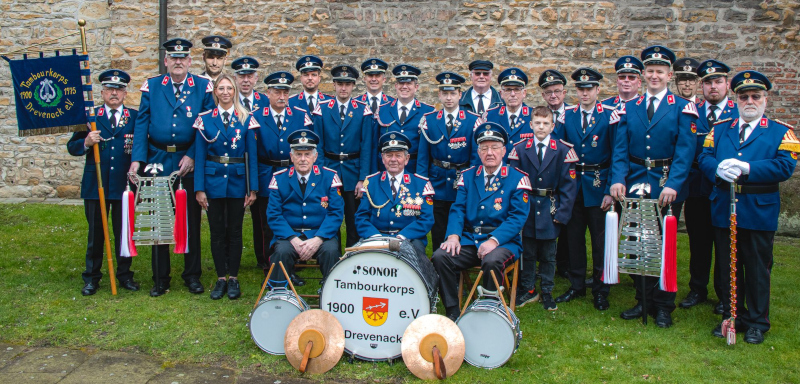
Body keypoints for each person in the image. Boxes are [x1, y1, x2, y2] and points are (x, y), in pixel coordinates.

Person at [698, 70, 798, 344]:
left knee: (756, 268)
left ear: (765, 99)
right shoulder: (720, 129)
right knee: (727, 267)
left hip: (758, 210)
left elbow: (785, 166)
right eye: (744, 97)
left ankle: (756, 321)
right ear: (737, 99)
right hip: (724, 208)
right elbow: (704, 156)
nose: (750, 101)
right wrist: (717, 168)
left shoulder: (781, 131)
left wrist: (748, 167)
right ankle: (733, 316)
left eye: (756, 96)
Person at [609, 45, 699, 328]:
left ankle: (663, 306)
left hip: (665, 183)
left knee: (662, 244)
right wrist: (616, 179)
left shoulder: (682, 107)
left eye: (660, 71)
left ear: (669, 74)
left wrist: (674, 183)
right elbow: (620, 148)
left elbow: (686, 151)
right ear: (644, 74)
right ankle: (642, 298)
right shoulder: (630, 107)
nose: (655, 76)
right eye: (650, 71)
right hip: (635, 181)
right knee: (636, 241)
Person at [131, 38, 215, 297]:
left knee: (189, 220)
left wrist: (191, 155)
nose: (178, 62)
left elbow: (207, 124)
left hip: (187, 163)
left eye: (183, 58)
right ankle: (160, 277)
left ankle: (192, 275)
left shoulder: (202, 87)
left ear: (189, 62)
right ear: (166, 61)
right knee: (160, 220)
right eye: (173, 58)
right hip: (158, 162)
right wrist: (137, 160)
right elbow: (142, 124)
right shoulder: (153, 86)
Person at [431, 122, 531, 321]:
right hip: (471, 239)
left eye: (494, 147)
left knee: (492, 260)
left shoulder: (517, 179)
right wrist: (453, 236)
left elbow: (517, 218)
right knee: (441, 256)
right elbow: (458, 209)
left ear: (504, 151)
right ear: (478, 151)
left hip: (503, 241)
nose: (490, 153)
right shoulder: (468, 177)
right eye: (484, 148)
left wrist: (494, 241)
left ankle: (490, 310)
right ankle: (453, 310)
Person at [67, 69, 140, 296]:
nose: (114, 93)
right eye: (110, 89)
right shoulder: (90, 117)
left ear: (125, 93)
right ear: (102, 92)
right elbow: (73, 147)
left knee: (123, 232)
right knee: (96, 233)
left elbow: (141, 147)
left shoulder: (135, 117)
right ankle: (92, 277)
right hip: (95, 183)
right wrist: (87, 142)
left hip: (123, 184)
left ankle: (124, 275)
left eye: (118, 89)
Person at [551, 68, 615, 310]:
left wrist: (610, 188)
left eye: (589, 88)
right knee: (575, 239)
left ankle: (601, 290)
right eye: (581, 89)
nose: (585, 93)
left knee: (600, 242)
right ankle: (576, 285)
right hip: (574, 185)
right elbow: (559, 149)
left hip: (599, 184)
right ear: (575, 91)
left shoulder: (610, 115)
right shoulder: (567, 116)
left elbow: (617, 153)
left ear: (598, 90)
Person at [679, 59, 737, 314]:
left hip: (725, 190)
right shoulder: (692, 111)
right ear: (701, 86)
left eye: (718, 82)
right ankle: (697, 288)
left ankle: (725, 294)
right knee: (699, 242)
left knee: (724, 243)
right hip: (697, 188)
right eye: (708, 83)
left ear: (727, 85)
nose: (713, 87)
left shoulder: (738, 112)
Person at [193, 74, 258, 300]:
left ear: (235, 91)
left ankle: (234, 278)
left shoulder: (246, 118)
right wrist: (199, 188)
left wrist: (252, 189)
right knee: (217, 231)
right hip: (213, 182)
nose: (225, 92)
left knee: (236, 231)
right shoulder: (204, 119)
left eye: (229, 88)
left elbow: (251, 156)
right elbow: (199, 155)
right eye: (221, 88)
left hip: (238, 182)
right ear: (215, 93)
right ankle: (221, 277)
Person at [251, 71, 318, 286]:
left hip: (292, 173)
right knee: (264, 221)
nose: (282, 96)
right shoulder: (256, 116)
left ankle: (291, 263)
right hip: (265, 172)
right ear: (268, 93)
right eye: (277, 92)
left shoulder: (300, 115)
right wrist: (252, 185)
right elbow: (251, 153)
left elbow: (308, 148)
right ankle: (266, 262)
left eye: (285, 92)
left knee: (291, 217)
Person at [508, 107, 578, 310]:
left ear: (552, 126)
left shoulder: (563, 150)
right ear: (530, 125)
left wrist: (562, 213)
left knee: (548, 254)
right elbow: (513, 182)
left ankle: (547, 290)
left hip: (550, 207)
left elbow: (569, 186)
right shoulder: (520, 149)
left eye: (545, 123)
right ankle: (528, 289)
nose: (541, 127)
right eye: (537, 123)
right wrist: (516, 212)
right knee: (527, 252)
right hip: (527, 207)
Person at [265, 130, 344, 287]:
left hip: (320, 235)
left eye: (307, 154)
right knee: (281, 252)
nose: (303, 159)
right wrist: (293, 239)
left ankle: (332, 292)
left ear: (315, 157)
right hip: (290, 235)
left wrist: (318, 238)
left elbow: (335, 213)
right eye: (298, 154)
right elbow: (274, 214)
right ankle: (279, 295)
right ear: (291, 156)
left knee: (330, 251)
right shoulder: (279, 178)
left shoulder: (329, 177)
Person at [417, 71, 482, 250]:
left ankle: (457, 260)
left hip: (460, 180)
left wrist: (471, 183)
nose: (448, 98)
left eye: (453, 93)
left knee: (460, 220)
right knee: (438, 225)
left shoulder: (472, 121)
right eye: (445, 93)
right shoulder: (429, 121)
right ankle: (439, 261)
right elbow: (423, 157)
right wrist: (423, 184)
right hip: (437, 180)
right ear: (439, 95)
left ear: (460, 95)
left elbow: (475, 158)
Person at [317, 64, 374, 248]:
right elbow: (318, 146)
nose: (343, 88)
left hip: (352, 171)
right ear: (333, 84)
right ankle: (331, 254)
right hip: (329, 169)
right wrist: (320, 174)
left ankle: (352, 253)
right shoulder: (322, 109)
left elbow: (366, 147)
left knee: (353, 217)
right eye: (340, 83)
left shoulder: (362, 110)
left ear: (353, 86)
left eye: (348, 84)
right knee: (330, 214)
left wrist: (362, 179)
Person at [356, 132, 435, 257]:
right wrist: (375, 237)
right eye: (389, 155)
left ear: (407, 159)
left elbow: (426, 219)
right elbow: (361, 218)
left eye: (398, 155)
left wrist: (402, 236)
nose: (393, 160)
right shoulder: (370, 183)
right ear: (382, 158)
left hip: (409, 239)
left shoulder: (421, 185)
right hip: (376, 238)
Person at [231, 56, 271, 269]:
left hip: (259, 163)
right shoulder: (228, 100)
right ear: (235, 78)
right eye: (241, 76)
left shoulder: (265, 101)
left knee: (264, 215)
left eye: (249, 76)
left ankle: (265, 259)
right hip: (236, 164)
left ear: (256, 78)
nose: (245, 80)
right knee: (247, 216)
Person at [537, 69, 570, 278]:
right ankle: (542, 266)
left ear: (564, 93)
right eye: (549, 92)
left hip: (565, 175)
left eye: (557, 91)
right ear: (543, 95)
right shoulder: (539, 117)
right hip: (543, 177)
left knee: (567, 227)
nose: (553, 96)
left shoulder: (573, 115)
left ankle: (565, 266)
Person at [375, 64, 435, 173]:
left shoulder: (428, 112)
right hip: (386, 170)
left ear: (416, 87)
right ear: (396, 85)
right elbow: (374, 146)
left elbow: (429, 150)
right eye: (401, 83)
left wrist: (422, 176)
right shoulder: (382, 110)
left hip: (415, 169)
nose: (404, 87)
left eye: (409, 83)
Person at [483, 67, 535, 161]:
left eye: (517, 89)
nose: (512, 94)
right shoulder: (490, 116)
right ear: (501, 94)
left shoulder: (534, 116)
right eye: (508, 90)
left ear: (524, 93)